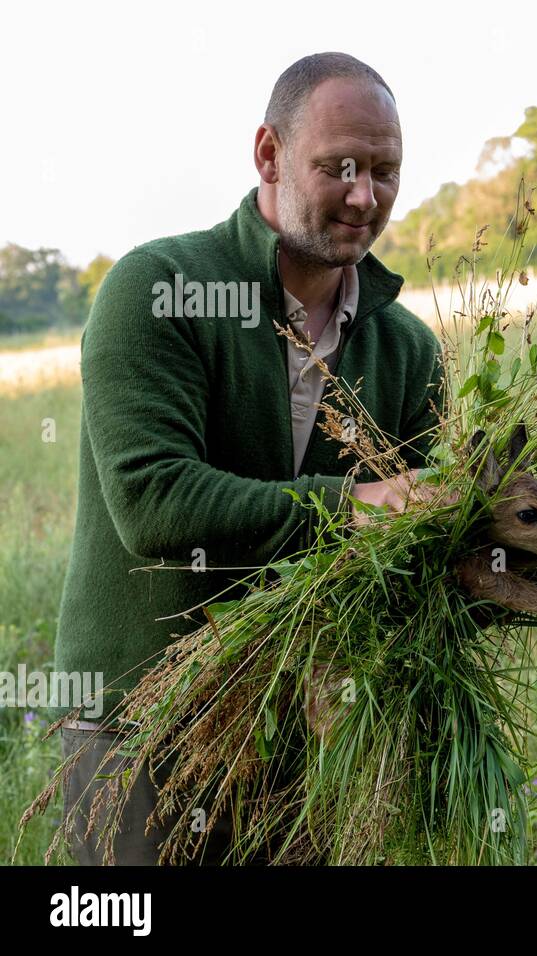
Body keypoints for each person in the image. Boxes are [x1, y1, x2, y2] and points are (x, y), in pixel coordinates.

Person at [53, 52, 442, 865]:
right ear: (268, 155)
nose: (364, 197)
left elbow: (422, 541)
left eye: (385, 172)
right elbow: (154, 503)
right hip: (140, 720)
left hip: (300, 725)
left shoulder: (406, 349)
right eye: (338, 167)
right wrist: (356, 505)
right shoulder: (159, 287)